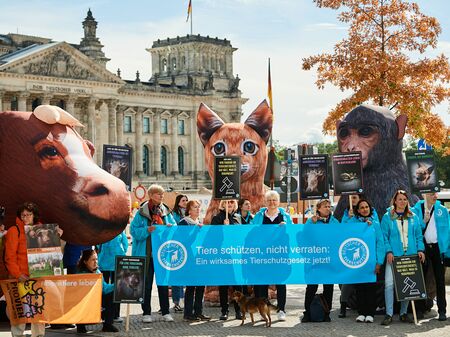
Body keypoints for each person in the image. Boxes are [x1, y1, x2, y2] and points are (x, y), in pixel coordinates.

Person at [130, 184, 176, 323]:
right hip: (146, 254)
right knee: (146, 284)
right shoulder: (141, 212)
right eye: (158, 194)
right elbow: (133, 231)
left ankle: (166, 312)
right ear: (150, 195)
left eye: (162, 194)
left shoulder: (166, 211)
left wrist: (169, 228)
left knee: (163, 283)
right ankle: (146, 313)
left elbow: (175, 228)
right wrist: (147, 230)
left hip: (162, 254)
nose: (161, 196)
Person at [380, 190, 425, 326]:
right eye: (400, 199)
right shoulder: (388, 217)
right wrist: (388, 251)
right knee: (389, 284)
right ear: (395, 201)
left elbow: (418, 235)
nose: (402, 202)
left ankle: (403, 313)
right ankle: (388, 314)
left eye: (405, 199)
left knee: (407, 285)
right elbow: (384, 236)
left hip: (410, 256)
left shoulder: (413, 216)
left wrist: (420, 249)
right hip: (394, 257)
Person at [4, 202, 47, 337]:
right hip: (20, 278)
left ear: (34, 215)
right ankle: (17, 335)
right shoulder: (14, 231)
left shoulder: (43, 230)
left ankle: (39, 335)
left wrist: (56, 236)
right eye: (23, 215)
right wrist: (18, 274)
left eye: (29, 214)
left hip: (38, 277)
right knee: (19, 311)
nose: (26, 217)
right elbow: (9, 257)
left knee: (39, 309)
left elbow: (52, 252)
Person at [252, 190, 293, 321]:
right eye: (269, 200)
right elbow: (251, 231)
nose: (272, 202)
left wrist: (287, 227)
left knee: (281, 282)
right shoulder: (259, 216)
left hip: (280, 255)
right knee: (263, 283)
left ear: (278, 202)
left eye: (274, 200)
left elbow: (292, 233)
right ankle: (264, 310)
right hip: (263, 256)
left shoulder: (285, 216)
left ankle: (281, 310)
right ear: (266, 202)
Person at [343, 199, 385, 323]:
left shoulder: (375, 224)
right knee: (360, 287)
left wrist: (379, 262)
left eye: (366, 207)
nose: (364, 209)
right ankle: (362, 312)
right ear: (358, 210)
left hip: (371, 262)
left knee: (371, 288)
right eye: (361, 207)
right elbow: (344, 231)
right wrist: (349, 217)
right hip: (359, 261)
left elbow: (380, 243)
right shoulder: (354, 223)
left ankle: (370, 313)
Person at [301, 199, 339, 323]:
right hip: (314, 260)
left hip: (329, 260)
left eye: (329, 206)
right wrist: (311, 224)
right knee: (312, 286)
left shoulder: (334, 222)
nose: (328, 208)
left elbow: (343, 234)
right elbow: (303, 235)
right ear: (318, 208)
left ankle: (326, 312)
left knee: (328, 287)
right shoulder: (311, 221)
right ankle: (307, 313)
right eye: (325, 206)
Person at [412, 192, 448, 321]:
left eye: (436, 194)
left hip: (438, 248)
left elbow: (447, 231)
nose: (435, 196)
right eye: (432, 194)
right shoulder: (415, 210)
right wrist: (423, 221)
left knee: (440, 280)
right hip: (423, 247)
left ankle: (442, 310)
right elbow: (414, 229)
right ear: (425, 195)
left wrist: (447, 251)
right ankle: (420, 309)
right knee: (420, 278)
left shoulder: (442, 210)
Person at [179, 200, 211, 322]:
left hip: (200, 258)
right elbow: (183, 242)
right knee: (191, 286)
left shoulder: (199, 222)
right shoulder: (184, 223)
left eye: (198, 207)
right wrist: (196, 232)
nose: (198, 209)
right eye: (195, 207)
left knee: (201, 286)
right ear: (189, 210)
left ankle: (198, 311)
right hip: (189, 259)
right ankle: (188, 313)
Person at [211, 199, 243, 320]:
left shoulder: (238, 218)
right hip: (222, 256)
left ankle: (238, 310)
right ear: (222, 204)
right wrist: (224, 228)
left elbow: (241, 235)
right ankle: (224, 311)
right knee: (223, 285)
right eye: (226, 202)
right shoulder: (217, 218)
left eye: (231, 202)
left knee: (237, 285)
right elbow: (213, 238)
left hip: (235, 255)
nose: (229, 204)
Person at [76, 248, 118, 333]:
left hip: (98, 301)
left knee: (113, 294)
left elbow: (105, 288)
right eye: (92, 260)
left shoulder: (97, 271)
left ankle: (107, 325)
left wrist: (116, 284)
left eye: (96, 259)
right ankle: (80, 325)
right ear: (85, 261)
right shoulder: (80, 274)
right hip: (85, 303)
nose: (96, 262)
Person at [98, 231, 128, 323]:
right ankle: (110, 314)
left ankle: (110, 314)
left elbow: (98, 245)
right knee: (106, 289)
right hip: (112, 261)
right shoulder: (119, 230)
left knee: (115, 289)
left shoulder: (104, 229)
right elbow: (125, 244)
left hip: (111, 261)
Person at [170, 194, 188, 313]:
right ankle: (176, 301)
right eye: (183, 200)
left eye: (187, 200)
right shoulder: (174, 215)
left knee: (184, 277)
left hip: (186, 248)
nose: (185, 202)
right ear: (178, 202)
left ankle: (182, 300)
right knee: (176, 277)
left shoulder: (188, 214)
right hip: (176, 248)